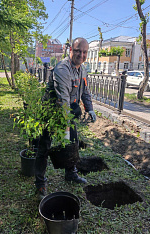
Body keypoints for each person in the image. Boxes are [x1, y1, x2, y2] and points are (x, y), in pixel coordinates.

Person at [35, 37, 97, 200]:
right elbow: (62, 99)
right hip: (51, 112)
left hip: (69, 112)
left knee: (73, 143)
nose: (81, 55)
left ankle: (71, 173)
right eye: (77, 51)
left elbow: (84, 91)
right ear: (71, 50)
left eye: (84, 52)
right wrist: (65, 127)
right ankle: (40, 184)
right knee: (44, 147)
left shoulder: (82, 69)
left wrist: (90, 109)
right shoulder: (62, 69)